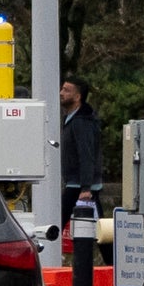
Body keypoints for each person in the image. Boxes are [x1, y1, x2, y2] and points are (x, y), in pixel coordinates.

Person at [59, 76, 103, 206]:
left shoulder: (82, 122)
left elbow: (86, 153)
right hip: (75, 183)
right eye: (62, 89)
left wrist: (85, 188)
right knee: (92, 223)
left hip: (79, 186)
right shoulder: (71, 119)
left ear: (78, 97)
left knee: (60, 221)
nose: (61, 93)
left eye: (66, 90)